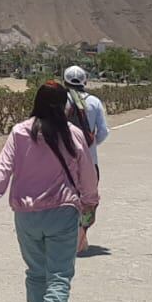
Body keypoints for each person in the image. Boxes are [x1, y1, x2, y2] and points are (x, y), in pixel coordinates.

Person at [0, 81, 100, 302]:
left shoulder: (20, 132)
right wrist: (90, 201)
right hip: (62, 212)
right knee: (59, 274)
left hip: (26, 215)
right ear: (65, 106)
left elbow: (3, 168)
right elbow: (87, 173)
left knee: (36, 273)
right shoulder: (72, 133)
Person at [61, 65, 109, 253]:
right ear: (85, 81)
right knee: (88, 199)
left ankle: (63, 236)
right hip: (89, 161)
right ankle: (81, 234)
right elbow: (103, 132)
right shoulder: (94, 102)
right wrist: (89, 147)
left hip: (62, 160)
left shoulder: (58, 100)